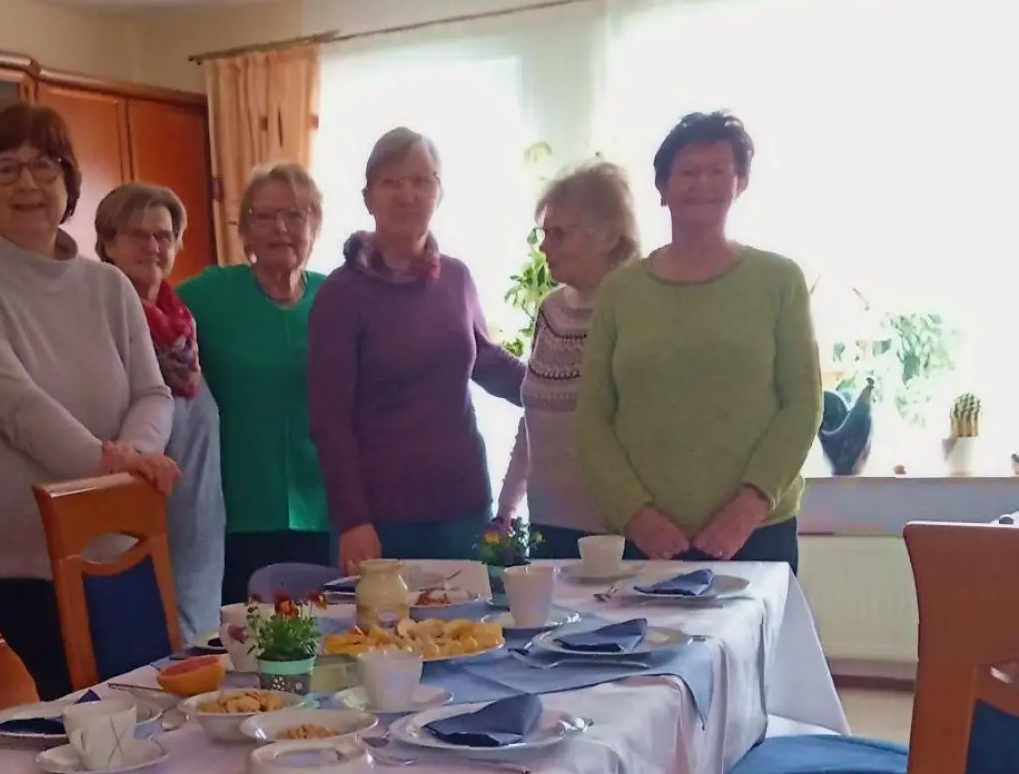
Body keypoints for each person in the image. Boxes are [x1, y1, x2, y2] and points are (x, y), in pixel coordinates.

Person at [0, 102, 178, 701]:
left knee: (150, 706)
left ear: (68, 183)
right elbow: (18, 409)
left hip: (121, 538)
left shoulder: (107, 284)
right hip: (23, 554)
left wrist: (130, 459)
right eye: (6, 170)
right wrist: (117, 468)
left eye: (44, 166)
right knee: (92, 716)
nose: (28, 184)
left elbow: (153, 392)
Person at [576, 111, 822, 570]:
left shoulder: (779, 280)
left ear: (740, 183)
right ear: (663, 188)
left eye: (718, 171)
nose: (702, 184)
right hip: (646, 538)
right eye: (687, 172)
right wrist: (636, 514)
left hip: (756, 532)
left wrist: (748, 508)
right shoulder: (620, 291)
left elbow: (803, 404)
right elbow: (592, 418)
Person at [308, 128, 525, 573]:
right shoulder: (341, 293)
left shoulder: (457, 278)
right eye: (392, 182)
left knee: (472, 636)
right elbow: (329, 421)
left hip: (463, 506)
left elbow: (485, 360)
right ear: (368, 198)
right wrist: (353, 521)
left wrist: (566, 385)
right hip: (381, 519)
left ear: (439, 193)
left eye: (422, 180)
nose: (407, 194)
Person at [177, 162, 334, 604]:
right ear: (244, 231)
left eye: (294, 215)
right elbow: (142, 321)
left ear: (313, 225)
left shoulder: (336, 298)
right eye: (263, 217)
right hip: (233, 508)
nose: (279, 228)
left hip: (323, 508)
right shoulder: (209, 294)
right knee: (244, 647)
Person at [94, 183, 226, 644]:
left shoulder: (183, 328)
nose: (153, 246)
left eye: (163, 236)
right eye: (137, 234)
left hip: (199, 541)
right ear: (108, 244)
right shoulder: (100, 324)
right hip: (135, 545)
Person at [493, 161, 642, 560]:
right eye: (545, 234)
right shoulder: (551, 310)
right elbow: (533, 416)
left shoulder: (639, 307)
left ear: (609, 236)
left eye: (558, 235)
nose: (544, 247)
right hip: (547, 528)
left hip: (618, 534)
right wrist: (506, 509)